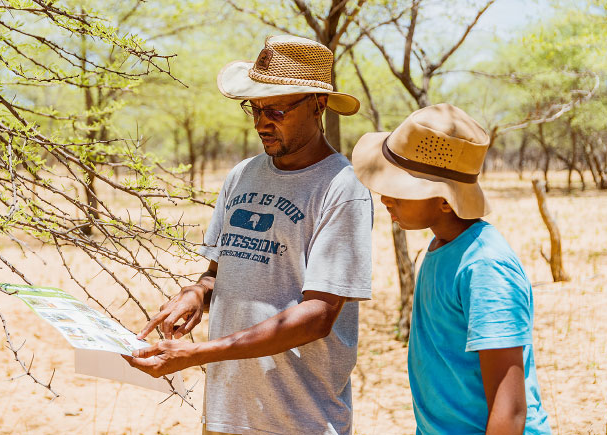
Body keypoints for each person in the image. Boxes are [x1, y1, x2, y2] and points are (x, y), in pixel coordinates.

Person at [126, 35, 374, 435]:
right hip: (226, 414)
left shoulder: (342, 189)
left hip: (299, 420)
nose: (261, 122)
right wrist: (196, 293)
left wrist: (196, 353)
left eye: (276, 109)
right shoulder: (243, 175)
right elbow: (216, 274)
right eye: (254, 108)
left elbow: (319, 316)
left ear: (318, 104)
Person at [352, 103, 551, 434]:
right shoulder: (440, 247)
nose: (385, 198)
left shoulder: (485, 267)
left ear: (445, 201)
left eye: (399, 188)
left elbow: (511, 409)